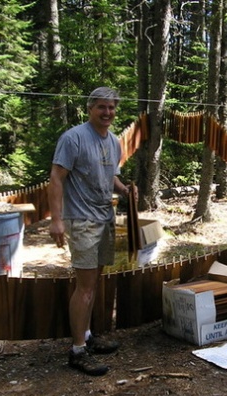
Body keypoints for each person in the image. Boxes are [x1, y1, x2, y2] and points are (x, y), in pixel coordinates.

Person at [48, 86, 133, 376]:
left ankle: (85, 336)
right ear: (90, 108)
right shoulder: (73, 139)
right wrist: (56, 220)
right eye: (101, 107)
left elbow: (112, 176)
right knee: (84, 287)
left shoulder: (114, 141)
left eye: (111, 107)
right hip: (82, 220)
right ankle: (77, 351)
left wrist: (124, 189)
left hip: (104, 218)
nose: (107, 112)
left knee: (93, 283)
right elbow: (56, 179)